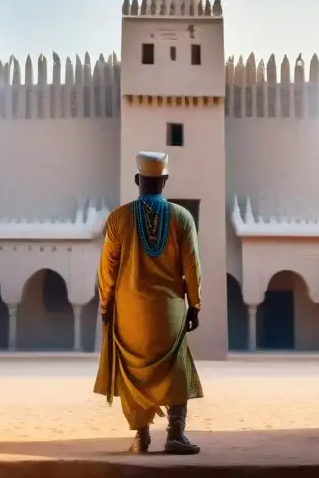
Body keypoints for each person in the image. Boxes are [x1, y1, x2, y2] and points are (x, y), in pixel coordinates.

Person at [93, 151, 203, 455]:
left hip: (129, 310)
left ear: (137, 180)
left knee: (133, 372)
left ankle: (141, 436)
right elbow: (191, 265)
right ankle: (175, 433)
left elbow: (107, 269)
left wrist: (106, 306)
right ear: (164, 181)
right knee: (176, 367)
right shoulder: (182, 218)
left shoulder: (118, 218)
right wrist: (194, 303)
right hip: (169, 309)